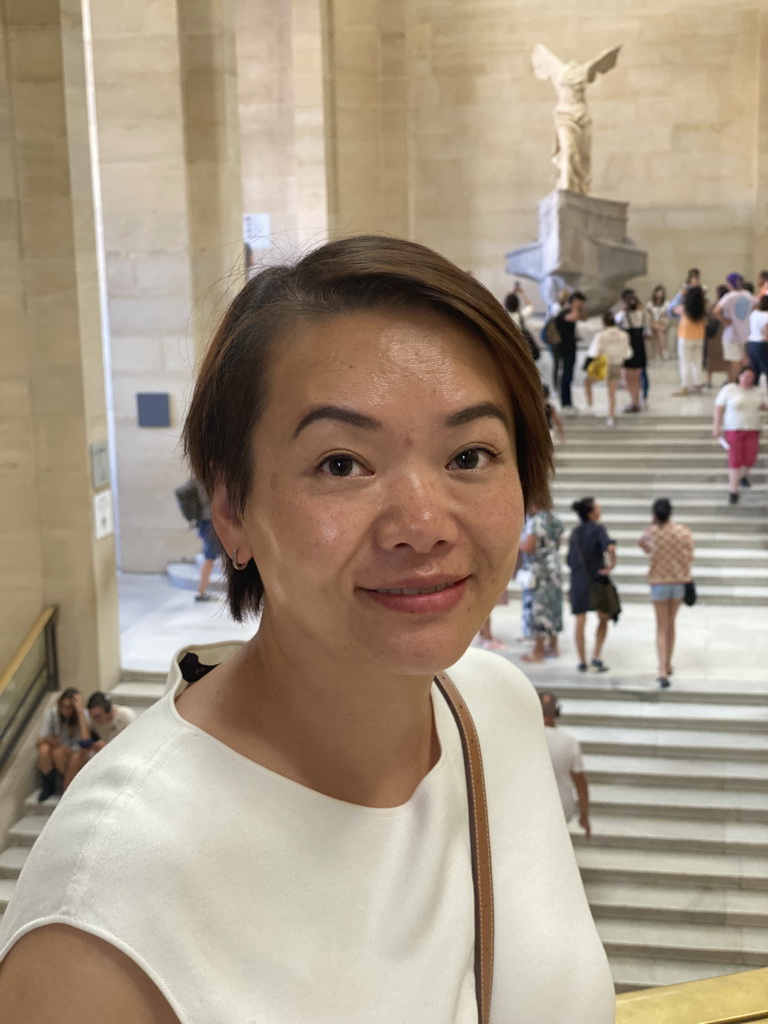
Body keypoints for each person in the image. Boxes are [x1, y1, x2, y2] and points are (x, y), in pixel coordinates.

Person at [0, 236, 614, 1024]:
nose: (423, 525)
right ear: (231, 510)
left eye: (470, 453)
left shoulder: (494, 706)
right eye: (341, 464)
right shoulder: (105, 911)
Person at [638, 499, 694, 689]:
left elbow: (643, 546)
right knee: (671, 623)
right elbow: (691, 556)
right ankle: (668, 663)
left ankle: (662, 669)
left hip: (659, 582)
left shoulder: (650, 532)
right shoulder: (682, 531)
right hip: (679, 580)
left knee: (661, 626)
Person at [567, 497, 616, 674]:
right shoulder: (599, 529)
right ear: (591, 513)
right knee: (603, 617)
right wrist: (611, 565)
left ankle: (582, 660)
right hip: (597, 579)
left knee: (580, 619)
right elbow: (610, 548)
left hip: (578, 580)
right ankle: (596, 655)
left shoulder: (575, 533)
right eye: (597, 507)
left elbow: (570, 560)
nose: (600, 509)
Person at [713, 366, 768, 504]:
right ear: (740, 376)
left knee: (751, 458)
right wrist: (716, 426)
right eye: (746, 376)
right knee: (735, 459)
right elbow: (719, 408)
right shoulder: (729, 389)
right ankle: (733, 490)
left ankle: (742, 477)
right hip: (734, 429)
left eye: (751, 377)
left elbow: (762, 405)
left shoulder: (756, 392)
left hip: (753, 429)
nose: (748, 380)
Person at [539, 692, 591, 837]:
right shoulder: (569, 741)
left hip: (532, 804)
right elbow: (580, 783)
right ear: (557, 710)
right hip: (562, 805)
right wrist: (584, 815)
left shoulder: (524, 738)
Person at [518, 510, 565, 663]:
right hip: (553, 566)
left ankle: (538, 650)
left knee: (539, 608)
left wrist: (517, 540)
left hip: (539, 569)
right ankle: (553, 646)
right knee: (553, 605)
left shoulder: (535, 521)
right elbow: (557, 542)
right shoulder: (554, 518)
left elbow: (528, 547)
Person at [35, 688, 92, 802]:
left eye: (69, 707)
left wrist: (80, 712)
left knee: (76, 756)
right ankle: (50, 785)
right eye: (63, 706)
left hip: (79, 753)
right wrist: (50, 741)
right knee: (46, 749)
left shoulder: (83, 714)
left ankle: (68, 786)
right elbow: (39, 741)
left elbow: (86, 742)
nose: (65, 710)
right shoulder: (52, 714)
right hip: (62, 753)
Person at [587, 311, 632, 426]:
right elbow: (628, 353)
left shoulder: (601, 335)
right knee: (611, 392)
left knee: (587, 382)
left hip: (603, 365)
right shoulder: (623, 335)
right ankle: (611, 416)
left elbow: (594, 352)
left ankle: (590, 407)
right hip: (616, 364)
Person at [715, 273, 753, 382]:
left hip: (731, 334)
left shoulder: (729, 296)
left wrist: (724, 320)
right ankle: (742, 381)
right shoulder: (748, 295)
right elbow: (757, 305)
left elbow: (716, 311)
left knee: (734, 362)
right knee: (743, 360)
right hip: (745, 333)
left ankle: (733, 383)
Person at [615, 290, 648, 413]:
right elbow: (647, 332)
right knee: (637, 376)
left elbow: (615, 321)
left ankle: (634, 401)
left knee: (628, 376)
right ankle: (636, 399)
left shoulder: (623, 315)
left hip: (629, 347)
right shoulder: (643, 314)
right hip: (640, 346)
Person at [671, 284, 707, 396]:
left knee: (685, 362)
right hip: (699, 337)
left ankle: (684, 386)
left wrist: (682, 293)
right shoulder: (702, 308)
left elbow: (672, 308)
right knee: (697, 361)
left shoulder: (685, 309)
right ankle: (698, 385)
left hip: (686, 337)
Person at [555, 290, 587, 415]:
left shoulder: (570, 312)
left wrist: (578, 308)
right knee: (565, 377)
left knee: (568, 376)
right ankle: (565, 403)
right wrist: (575, 306)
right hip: (564, 349)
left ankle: (568, 403)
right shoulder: (564, 313)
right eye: (580, 303)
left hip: (570, 349)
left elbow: (584, 317)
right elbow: (573, 317)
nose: (581, 306)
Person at [192, 480, 222, 602]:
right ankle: (201, 592)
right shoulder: (210, 481)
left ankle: (202, 591)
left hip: (204, 522)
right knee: (209, 557)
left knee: (213, 556)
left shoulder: (199, 479)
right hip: (211, 522)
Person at [704, 284, 730, 389]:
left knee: (711, 360)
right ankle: (729, 379)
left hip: (713, 337)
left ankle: (709, 381)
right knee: (727, 359)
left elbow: (706, 317)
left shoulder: (712, 306)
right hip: (726, 335)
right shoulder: (729, 307)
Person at [746, 293, 768, 387]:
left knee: (755, 369)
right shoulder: (766, 316)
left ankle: (753, 387)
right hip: (762, 344)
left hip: (751, 343)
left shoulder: (754, 313)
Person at [646, 285, 669, 361]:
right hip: (653, 323)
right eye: (658, 292)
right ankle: (663, 351)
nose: (660, 294)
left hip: (662, 322)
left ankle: (658, 354)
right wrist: (655, 321)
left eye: (661, 292)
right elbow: (650, 316)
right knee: (659, 330)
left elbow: (665, 315)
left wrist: (659, 321)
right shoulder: (650, 303)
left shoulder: (666, 303)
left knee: (659, 331)